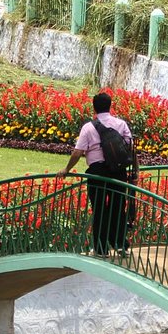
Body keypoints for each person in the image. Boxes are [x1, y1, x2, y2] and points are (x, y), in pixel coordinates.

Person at [60, 92, 137, 257]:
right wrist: (134, 171)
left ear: (94, 107)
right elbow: (130, 149)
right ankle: (120, 244)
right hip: (118, 172)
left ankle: (101, 249)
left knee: (100, 209)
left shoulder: (88, 127)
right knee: (118, 207)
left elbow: (78, 152)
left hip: (97, 173)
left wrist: (67, 169)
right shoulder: (121, 124)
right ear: (110, 106)